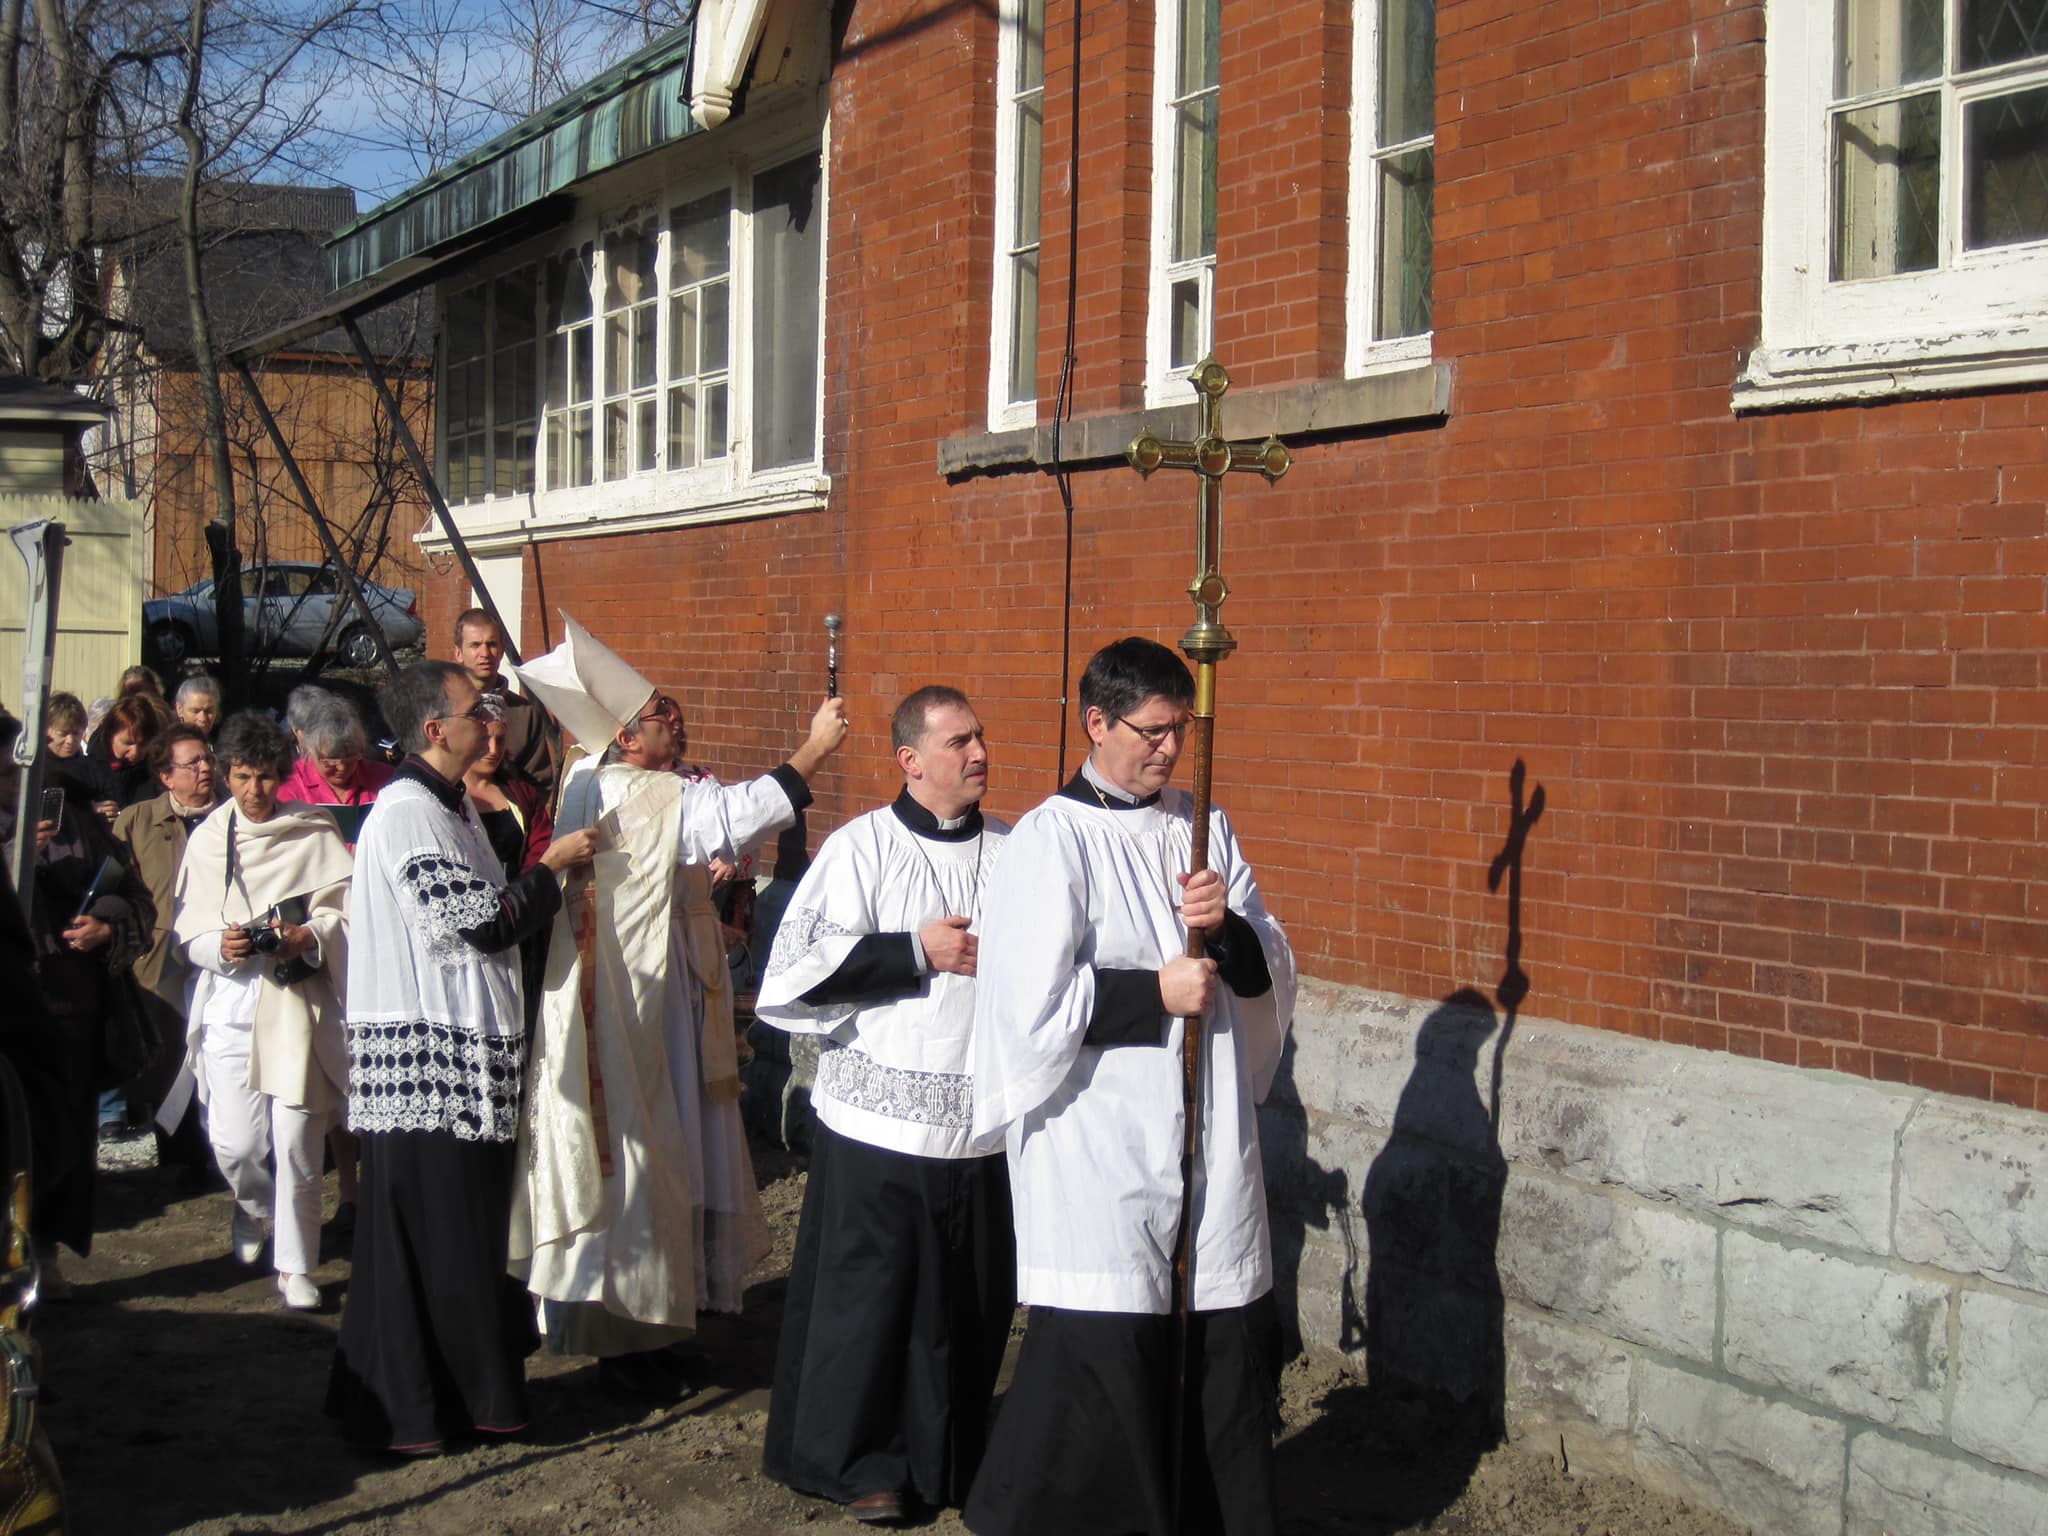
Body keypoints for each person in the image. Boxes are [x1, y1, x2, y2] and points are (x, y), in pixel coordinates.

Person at [963, 637, 1298, 1536]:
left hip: (1206, 1128)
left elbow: (1273, 962)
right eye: (1150, 731)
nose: (1168, 749)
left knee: (1214, 1340)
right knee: (1104, 1347)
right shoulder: (1048, 839)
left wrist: (1225, 932)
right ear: (1096, 722)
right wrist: (1150, 990)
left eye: (1180, 730)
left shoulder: (1203, 824)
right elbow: (1022, 1008)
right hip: (1098, 1137)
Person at [510, 615, 846, 1396]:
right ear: (626, 739)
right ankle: (625, 1340)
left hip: (636, 995)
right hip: (628, 1010)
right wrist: (813, 750)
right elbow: (729, 817)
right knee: (638, 1161)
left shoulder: (595, 779)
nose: (672, 717)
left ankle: (655, 1324)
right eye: (658, 712)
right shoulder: (640, 793)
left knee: (662, 1159)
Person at [755, 686, 1014, 1524]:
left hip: (979, 1126)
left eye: (979, 739)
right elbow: (793, 973)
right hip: (878, 1123)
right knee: (872, 1302)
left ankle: (949, 1453)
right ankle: (859, 1457)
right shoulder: (860, 848)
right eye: (959, 742)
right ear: (910, 759)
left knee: (967, 1304)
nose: (979, 754)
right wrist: (914, 950)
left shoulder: (1017, 852)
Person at [327, 661, 595, 1454]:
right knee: (441, 1246)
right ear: (434, 731)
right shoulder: (408, 813)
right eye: (475, 709)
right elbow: (472, 927)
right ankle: (432, 1409)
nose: (493, 719)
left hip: (468, 1066)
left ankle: (438, 1402)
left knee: (457, 1241)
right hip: (427, 1075)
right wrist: (551, 869)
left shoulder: (460, 810)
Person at [168, 712, 352, 1310]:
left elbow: (345, 915)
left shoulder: (313, 831)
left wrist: (309, 935)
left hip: (296, 998)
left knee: (298, 1139)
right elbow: (188, 931)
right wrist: (219, 946)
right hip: (233, 1002)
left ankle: (296, 1265)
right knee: (238, 1145)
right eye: (243, 777)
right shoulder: (208, 837)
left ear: (284, 775)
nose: (255, 791)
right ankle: (251, 1206)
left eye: (268, 778)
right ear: (227, 774)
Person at [4, 713, 156, 1299]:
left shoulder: (72, 822)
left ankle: (44, 1256)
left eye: (21, 772)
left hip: (70, 1011)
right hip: (9, 1012)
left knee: (61, 1141)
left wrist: (106, 926)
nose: (13, 785)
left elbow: (133, 895)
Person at [111, 726, 220, 1178]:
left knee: (219, 1059)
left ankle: (224, 1157)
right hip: (159, 963)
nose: (205, 768)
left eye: (207, 758)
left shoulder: (232, 818)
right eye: (191, 763)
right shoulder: (136, 822)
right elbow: (114, 888)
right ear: (165, 776)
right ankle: (178, 1163)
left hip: (221, 957)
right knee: (170, 1061)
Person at [454, 609, 555, 795]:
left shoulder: (524, 712)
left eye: (491, 644)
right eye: (475, 645)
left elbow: (539, 782)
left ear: (501, 650)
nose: (485, 653)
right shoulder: (442, 706)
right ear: (458, 653)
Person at [280, 687, 393, 817]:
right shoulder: (290, 784)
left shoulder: (386, 779)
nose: (342, 767)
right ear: (310, 749)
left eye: (350, 757)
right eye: (330, 760)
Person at [80, 695, 163, 813]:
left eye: (143, 744)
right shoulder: (87, 772)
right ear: (110, 736)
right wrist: (92, 811)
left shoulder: (156, 772)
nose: (135, 752)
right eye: (127, 743)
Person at [42, 695, 85, 761]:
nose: (70, 741)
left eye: (76, 733)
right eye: (63, 734)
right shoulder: (33, 767)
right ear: (46, 730)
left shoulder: (89, 768)